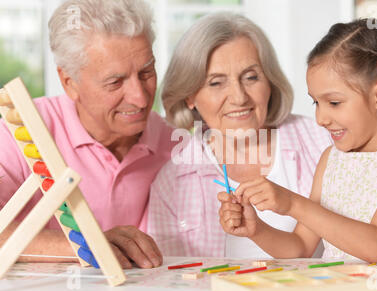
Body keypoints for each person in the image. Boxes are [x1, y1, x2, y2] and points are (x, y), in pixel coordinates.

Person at [218, 19, 377, 263]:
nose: (320, 118)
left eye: (334, 103)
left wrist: (292, 203)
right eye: (316, 102)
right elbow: (301, 248)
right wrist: (257, 230)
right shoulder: (330, 159)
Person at [0, 0, 174, 269]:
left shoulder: (174, 144)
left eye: (146, 72)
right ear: (69, 83)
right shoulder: (23, 130)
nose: (140, 99)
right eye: (115, 82)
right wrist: (88, 245)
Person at [147, 12, 332, 258]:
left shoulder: (322, 142)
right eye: (216, 83)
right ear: (190, 96)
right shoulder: (171, 183)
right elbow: (172, 283)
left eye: (251, 77)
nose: (239, 97)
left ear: (270, 81)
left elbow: (371, 229)